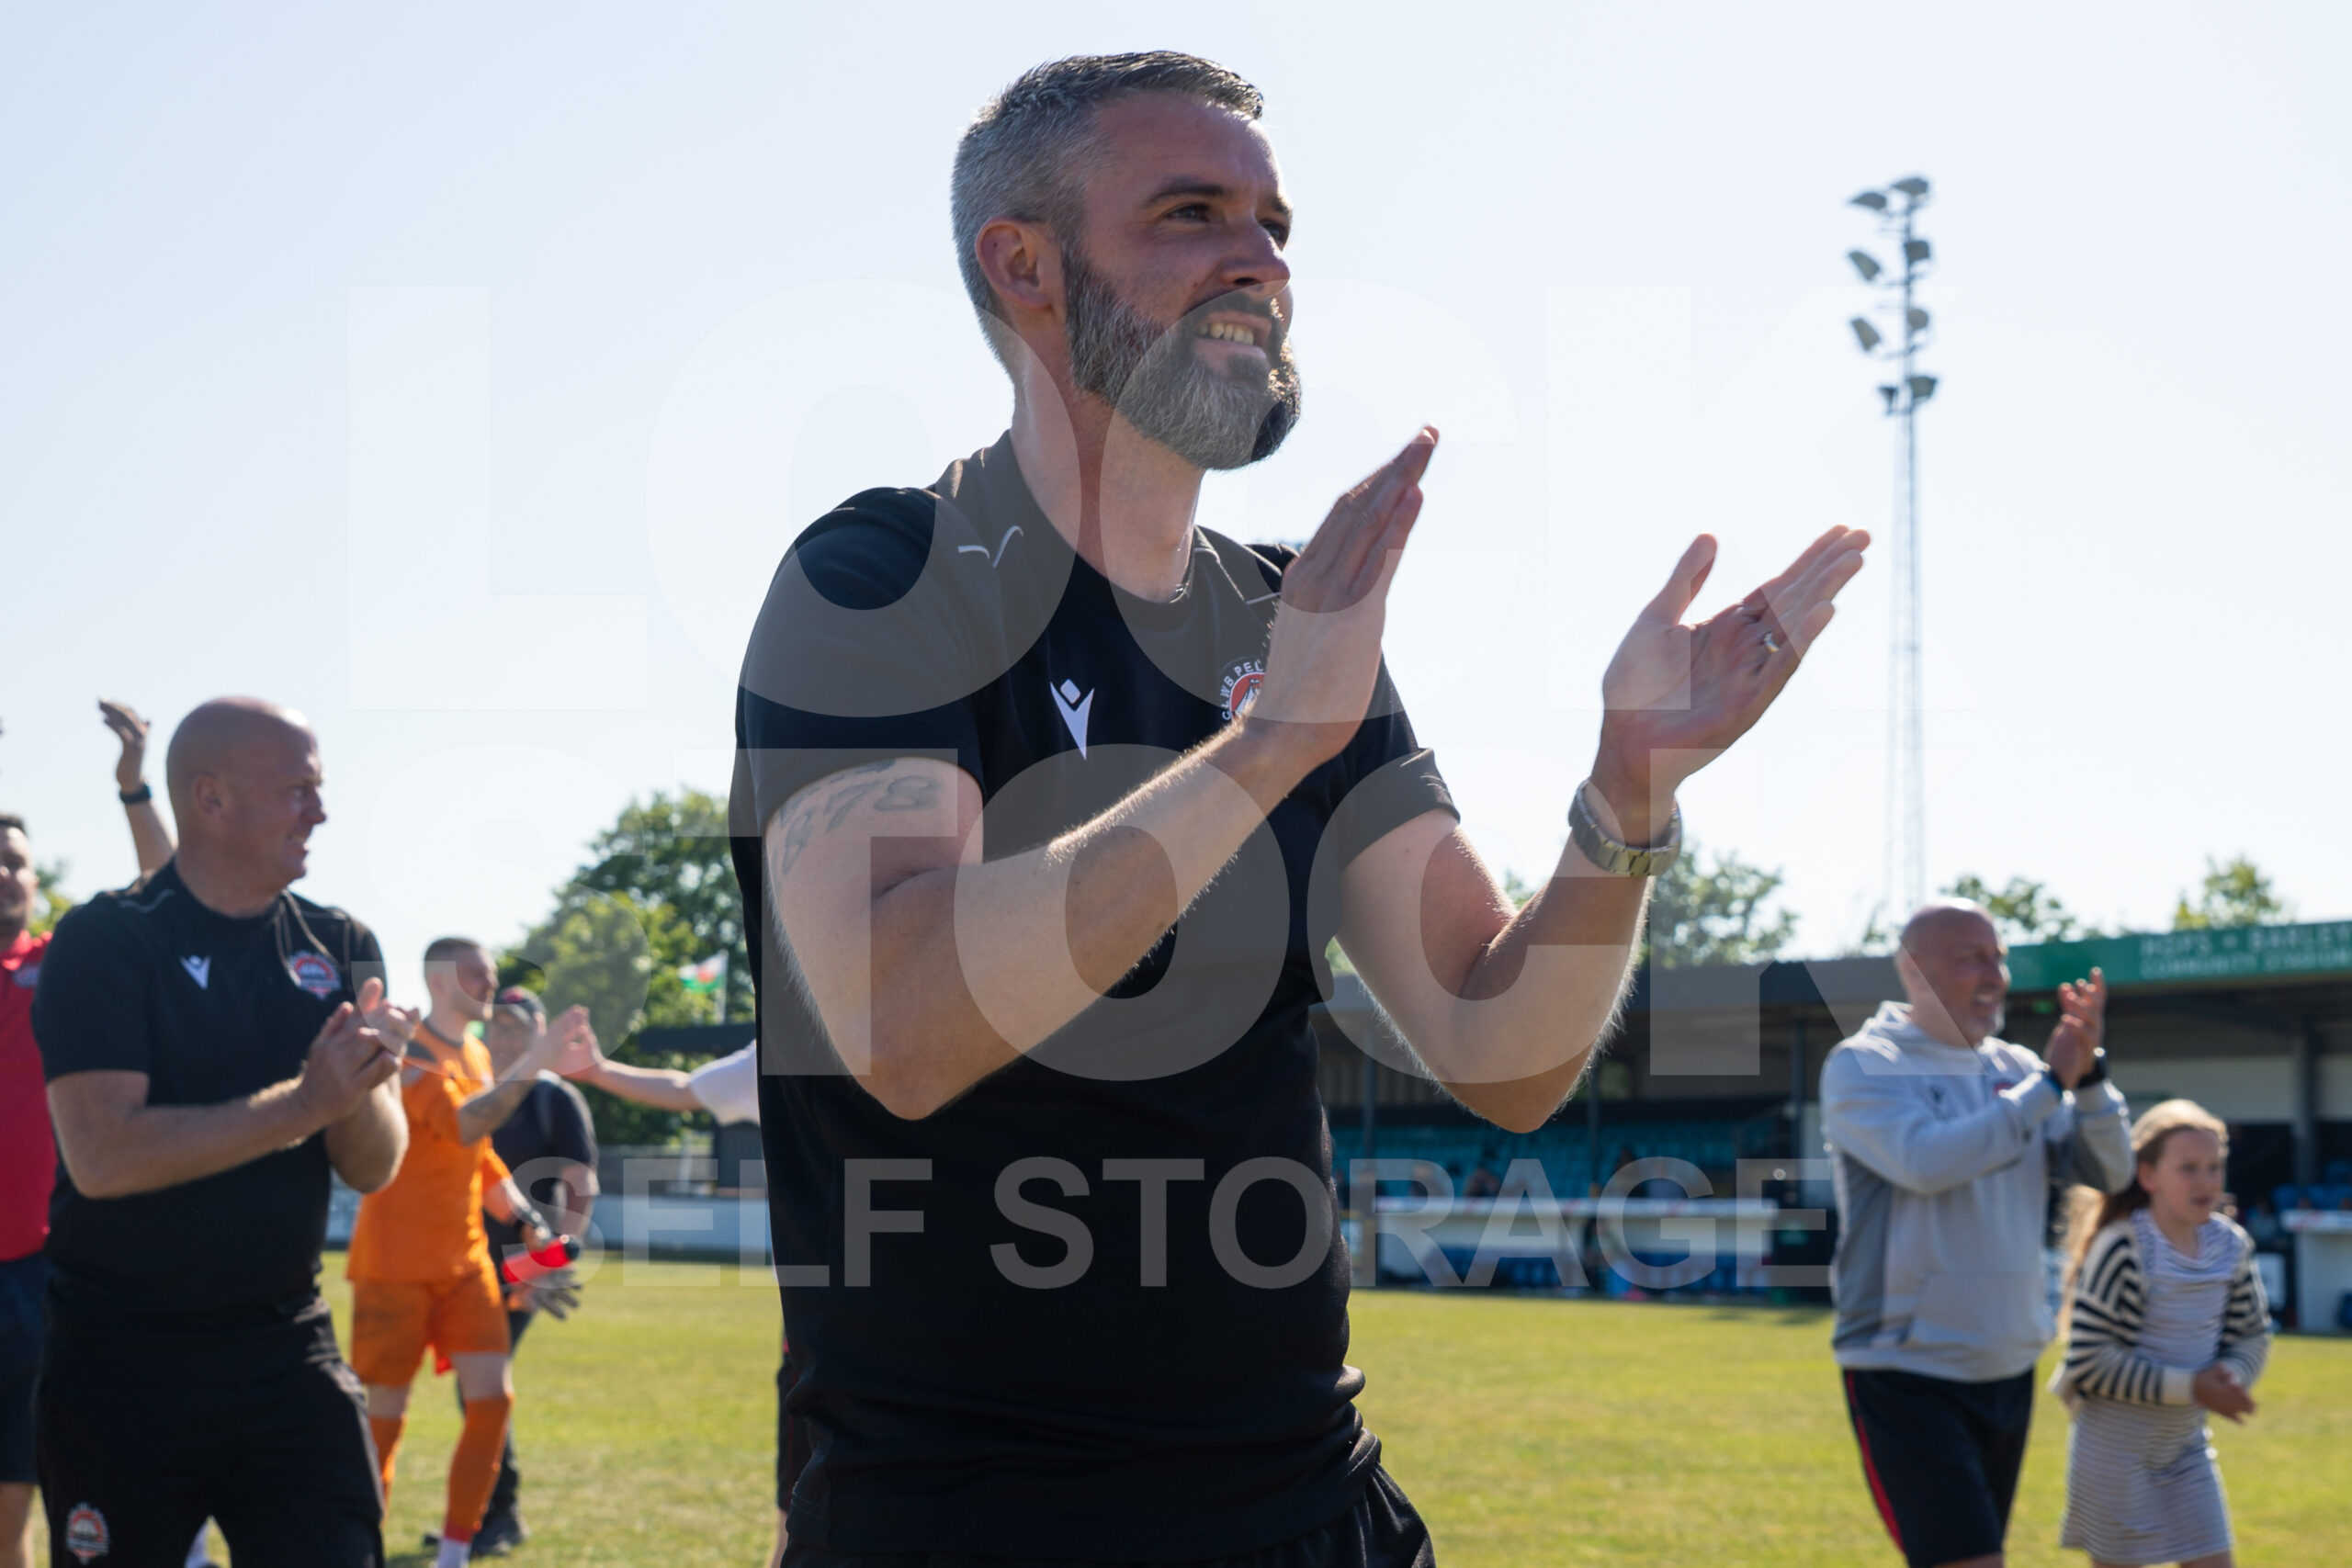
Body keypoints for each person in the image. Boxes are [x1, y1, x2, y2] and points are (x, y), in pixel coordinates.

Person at [729, 51, 1868, 1564]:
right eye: (1191, 212)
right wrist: (1268, 747)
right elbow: (906, 1022)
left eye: (1274, 224)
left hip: (1311, 1500)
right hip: (967, 1516)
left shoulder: (1291, 623)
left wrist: (1627, 793)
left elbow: (1502, 1048)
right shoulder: (880, 577)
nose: (1260, 261)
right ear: (1025, 267)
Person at [32, 697, 411, 1565]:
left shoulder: (341, 940)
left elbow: (373, 1166)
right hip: (124, 1359)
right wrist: (306, 1102)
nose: (320, 812)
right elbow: (103, 1156)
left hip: (288, 1345)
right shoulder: (106, 939)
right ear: (211, 798)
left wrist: (360, 1086)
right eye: (298, 789)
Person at [1822, 900, 2133, 1568]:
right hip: (1906, 1369)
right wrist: (2051, 1083)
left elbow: (2111, 1172)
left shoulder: (2016, 1068)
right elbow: (1927, 1163)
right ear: (1914, 969)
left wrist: (2090, 1078)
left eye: (1999, 956)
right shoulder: (1865, 1062)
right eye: (1972, 957)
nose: (1995, 974)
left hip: (2007, 1363)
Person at [344, 939, 580, 1568]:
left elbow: (478, 1158)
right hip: (393, 1267)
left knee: (493, 1401)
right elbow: (462, 1124)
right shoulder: (410, 1049)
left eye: (492, 972)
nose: (491, 981)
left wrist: (527, 1221)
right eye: (478, 972)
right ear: (440, 979)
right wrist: (536, 1060)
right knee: (383, 1420)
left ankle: (454, 1552)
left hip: (466, 1264)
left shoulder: (474, 1051)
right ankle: (360, 1547)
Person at [564, 1025, 791, 1567]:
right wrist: (599, 1071)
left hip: (892, 1298)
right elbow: (685, 1088)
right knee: (807, 1465)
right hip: (826, 1313)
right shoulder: (788, 1048)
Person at [2052, 1100, 2268, 1568]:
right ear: (2148, 1176)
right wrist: (2192, 1387)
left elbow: (2252, 1332)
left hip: (2186, 1448)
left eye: (2214, 1167)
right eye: (2188, 1168)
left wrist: (2230, 1378)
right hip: (2114, 1455)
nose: (2206, 1181)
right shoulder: (2124, 1246)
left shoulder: (2230, 1246)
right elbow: (2088, 1359)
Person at [458, 985, 599, 1557]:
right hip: (466, 1260)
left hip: (523, 1262)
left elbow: (580, 1183)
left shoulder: (553, 1097)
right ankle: (479, 1513)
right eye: (497, 1024)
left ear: (541, 1034)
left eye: (518, 1026)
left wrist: (549, 1264)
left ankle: (499, 1513)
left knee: (481, 1382)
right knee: (474, 1383)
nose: (505, 1035)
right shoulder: (475, 1090)